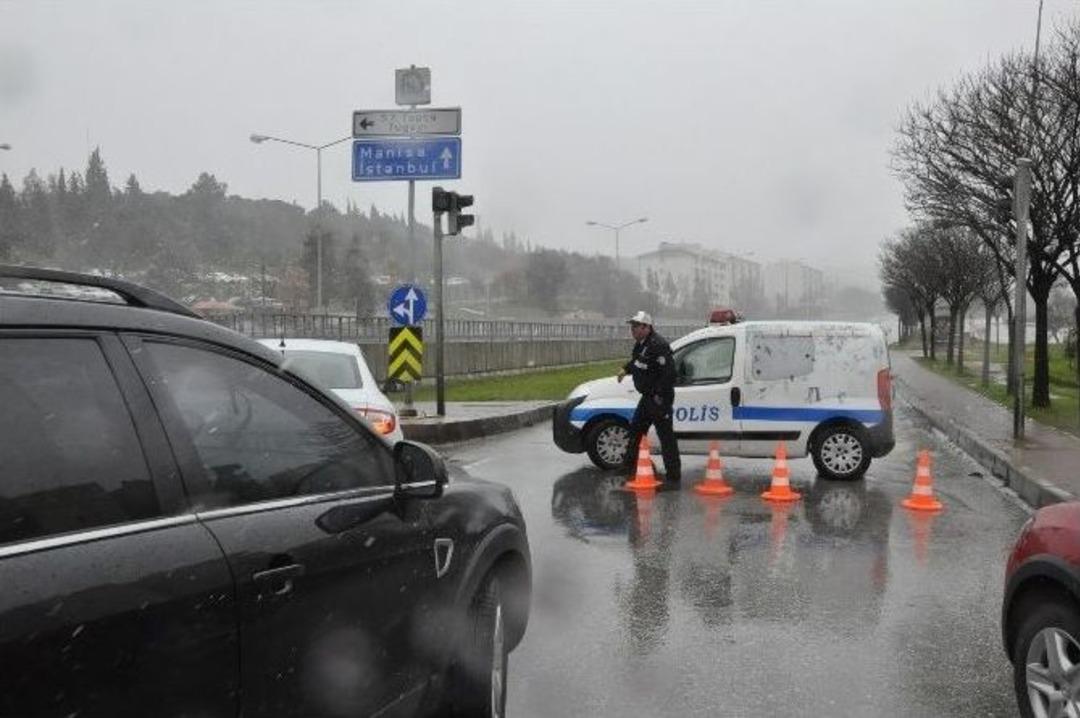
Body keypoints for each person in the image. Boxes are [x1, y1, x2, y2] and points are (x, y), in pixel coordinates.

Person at [617, 310, 681, 483]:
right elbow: (637, 362)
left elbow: (669, 374)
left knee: (666, 437)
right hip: (647, 398)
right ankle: (629, 465)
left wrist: (659, 395)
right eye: (632, 326)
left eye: (636, 326)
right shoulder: (641, 344)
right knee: (636, 430)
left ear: (646, 327)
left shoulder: (658, 345)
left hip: (659, 399)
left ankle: (673, 476)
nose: (633, 330)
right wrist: (625, 368)